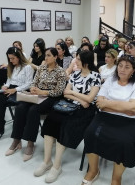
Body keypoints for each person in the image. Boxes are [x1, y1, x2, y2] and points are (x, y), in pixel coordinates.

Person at [82, 55, 135, 185]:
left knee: (124, 141)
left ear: (134, 70)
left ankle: (116, 178)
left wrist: (109, 104)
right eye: (120, 65)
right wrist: (124, 107)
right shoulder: (111, 80)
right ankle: (93, 170)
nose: (122, 69)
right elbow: (99, 102)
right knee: (90, 134)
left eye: (127, 67)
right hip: (109, 117)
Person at [34, 51, 101, 183]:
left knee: (65, 125)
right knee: (50, 120)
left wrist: (75, 95)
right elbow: (66, 93)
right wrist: (79, 97)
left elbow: (90, 98)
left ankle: (56, 166)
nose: (75, 62)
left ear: (86, 62)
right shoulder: (75, 74)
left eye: (78, 59)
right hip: (70, 105)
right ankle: (47, 161)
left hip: (86, 111)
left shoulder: (95, 76)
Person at [6, 47, 67, 161]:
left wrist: (42, 92)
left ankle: (30, 143)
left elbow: (59, 91)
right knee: (20, 107)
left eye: (49, 55)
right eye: (45, 55)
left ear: (55, 57)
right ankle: (16, 140)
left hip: (51, 97)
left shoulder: (60, 72)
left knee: (33, 110)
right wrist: (33, 88)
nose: (46, 57)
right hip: (37, 95)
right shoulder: (41, 68)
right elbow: (34, 82)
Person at [0, 47, 34, 136]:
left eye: (13, 58)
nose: (11, 60)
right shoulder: (12, 67)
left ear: (19, 57)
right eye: (9, 58)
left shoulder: (27, 67)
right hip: (11, 88)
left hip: (21, 90)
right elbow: (9, 81)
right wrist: (5, 86)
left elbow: (29, 84)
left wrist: (15, 90)